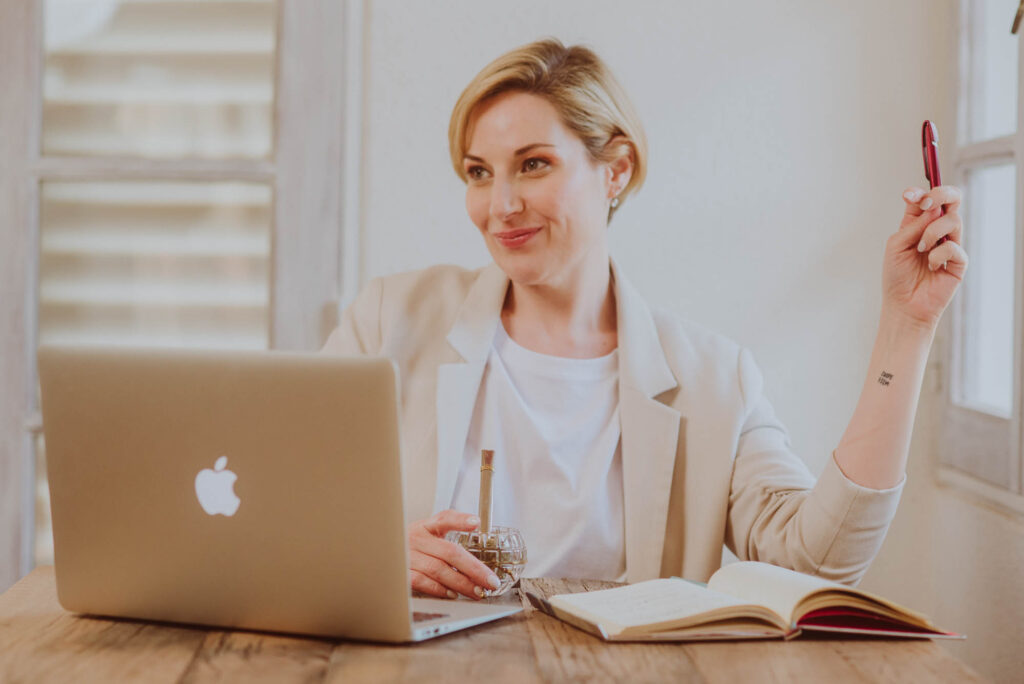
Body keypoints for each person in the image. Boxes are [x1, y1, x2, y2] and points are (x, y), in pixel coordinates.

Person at [322, 39, 967, 600]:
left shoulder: (715, 381)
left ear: (617, 168)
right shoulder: (389, 322)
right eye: (478, 173)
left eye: (534, 164)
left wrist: (905, 329)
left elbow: (816, 561)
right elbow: (285, 507)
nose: (501, 204)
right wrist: (372, 551)